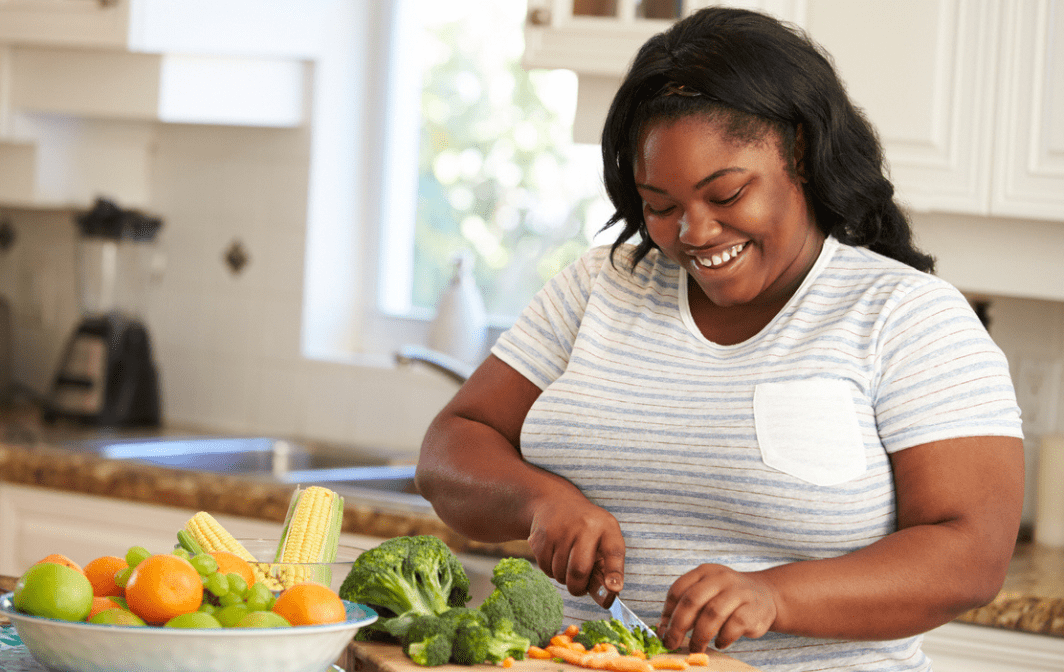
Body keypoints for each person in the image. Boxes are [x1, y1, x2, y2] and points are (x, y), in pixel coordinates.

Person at [415, 7, 1024, 671]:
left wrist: (774, 596)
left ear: (797, 149)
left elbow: (971, 556)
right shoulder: (600, 286)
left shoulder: (906, 316)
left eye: (726, 194)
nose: (694, 233)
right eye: (661, 205)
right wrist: (540, 502)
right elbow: (451, 447)